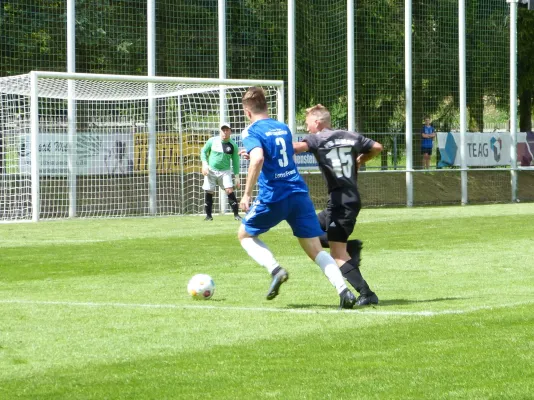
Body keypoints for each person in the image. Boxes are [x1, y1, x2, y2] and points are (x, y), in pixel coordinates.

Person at [238, 87, 357, 309]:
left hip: (274, 195)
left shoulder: (250, 131)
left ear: (247, 111)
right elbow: (282, 155)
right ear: (266, 106)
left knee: (245, 235)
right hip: (298, 194)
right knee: (315, 249)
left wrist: (246, 194)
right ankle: (344, 291)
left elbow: (258, 159)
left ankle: (275, 269)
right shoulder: (282, 127)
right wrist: (254, 155)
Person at [293, 104, 382, 306]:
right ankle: (350, 246)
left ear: (317, 122)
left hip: (341, 203)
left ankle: (367, 293)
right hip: (344, 200)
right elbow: (377, 147)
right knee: (305, 231)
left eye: (308, 124)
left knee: (337, 254)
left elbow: (294, 148)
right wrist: (361, 159)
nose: (307, 128)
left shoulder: (317, 138)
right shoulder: (350, 135)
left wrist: (263, 149)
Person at [200, 123, 241, 221]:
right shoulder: (212, 141)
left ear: (230, 131)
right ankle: (208, 216)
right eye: (223, 130)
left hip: (225, 172)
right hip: (211, 170)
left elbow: (235, 162)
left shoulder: (233, 145)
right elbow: (203, 152)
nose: (225, 132)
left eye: (227, 130)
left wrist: (237, 176)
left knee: (229, 190)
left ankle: (236, 215)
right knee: (209, 191)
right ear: (220, 131)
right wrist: (204, 164)